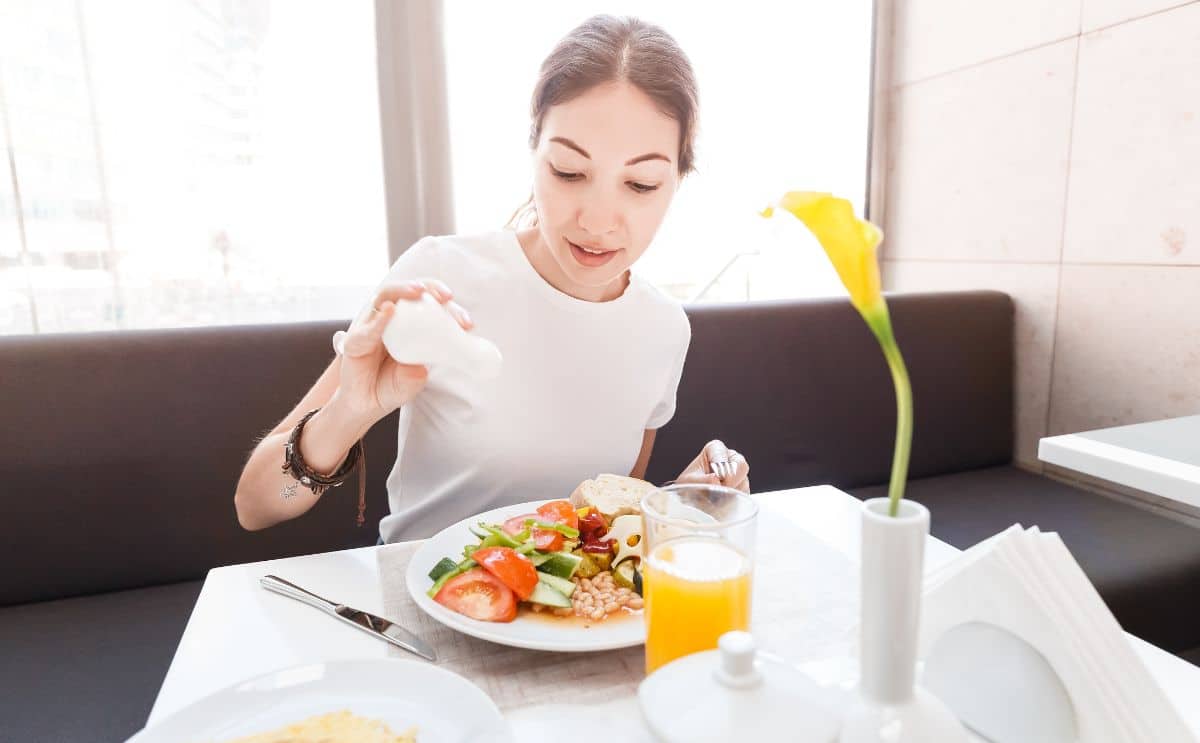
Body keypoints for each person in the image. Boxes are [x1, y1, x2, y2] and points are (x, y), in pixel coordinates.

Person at [234, 15, 750, 543]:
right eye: (569, 172)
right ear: (534, 154)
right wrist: (349, 411)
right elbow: (257, 505)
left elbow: (595, 529)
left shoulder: (662, 328)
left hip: (567, 624)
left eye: (641, 184)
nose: (597, 221)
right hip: (422, 607)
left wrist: (673, 506)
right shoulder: (441, 279)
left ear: (677, 180)